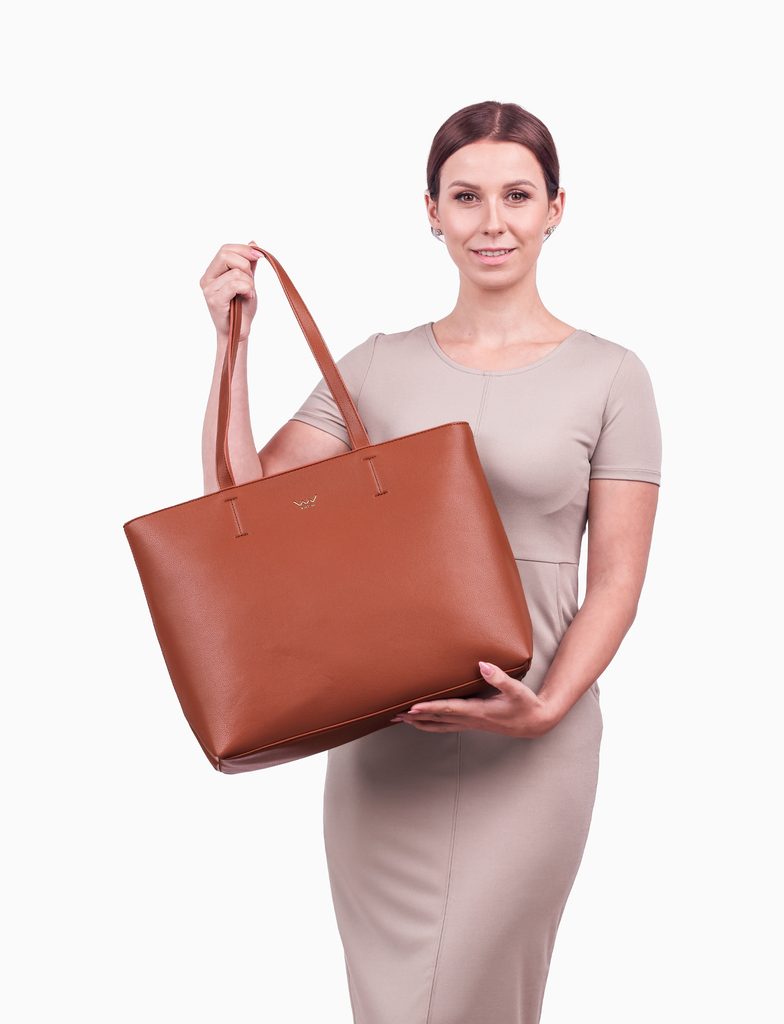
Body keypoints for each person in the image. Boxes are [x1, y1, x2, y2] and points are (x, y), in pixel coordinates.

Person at [198, 100, 662, 1024]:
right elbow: (240, 505)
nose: (492, 221)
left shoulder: (613, 376)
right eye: (466, 196)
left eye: (517, 196)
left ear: (556, 208)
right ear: (432, 212)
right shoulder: (375, 365)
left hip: (535, 746)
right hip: (389, 746)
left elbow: (617, 577)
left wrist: (547, 708)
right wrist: (230, 345)